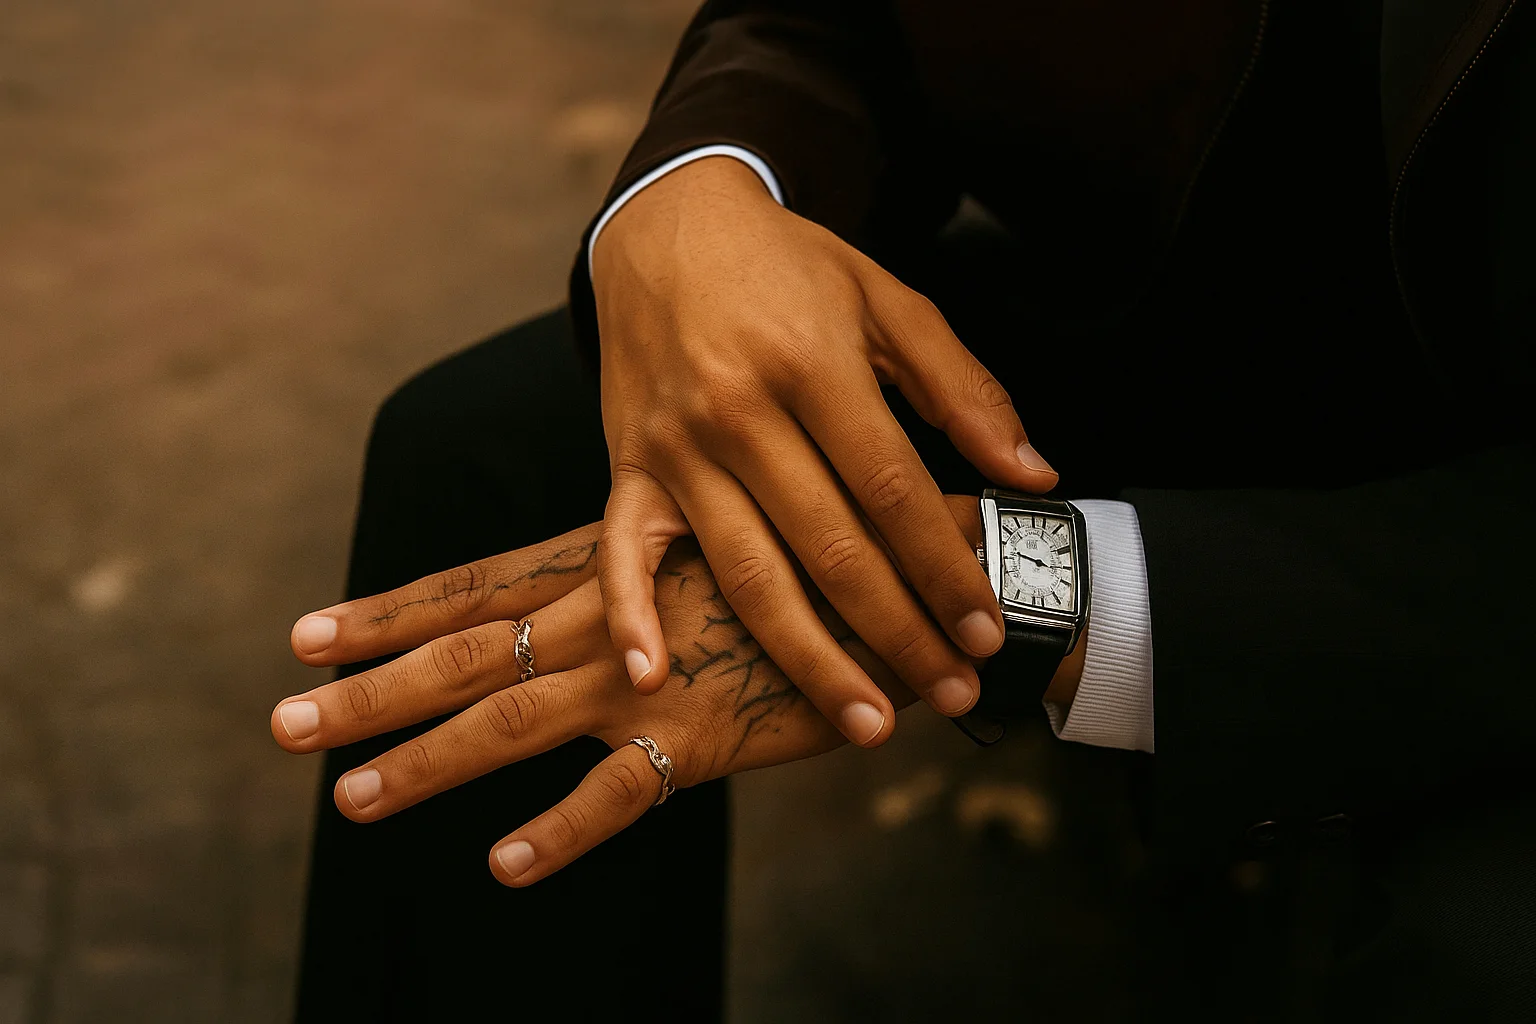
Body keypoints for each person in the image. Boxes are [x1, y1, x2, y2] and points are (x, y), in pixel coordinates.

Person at [278, 1, 1535, 1019]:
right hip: (1213, 325)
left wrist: (1029, 592)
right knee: (499, 459)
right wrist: (705, 188)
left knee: (1479, 950)